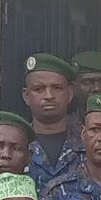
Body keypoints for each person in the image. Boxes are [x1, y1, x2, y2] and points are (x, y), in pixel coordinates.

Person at [20, 54, 82, 186]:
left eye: (57, 88)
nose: (49, 96)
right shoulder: (15, 146)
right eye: (39, 89)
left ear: (70, 93)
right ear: (26, 96)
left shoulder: (88, 142)